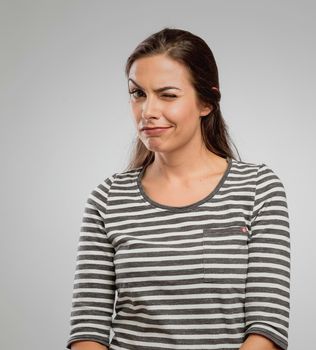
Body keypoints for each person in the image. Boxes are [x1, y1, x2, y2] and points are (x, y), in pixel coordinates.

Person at [66, 27, 291, 350]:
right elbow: (88, 329)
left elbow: (267, 327)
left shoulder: (257, 188)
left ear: (206, 102)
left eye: (168, 95)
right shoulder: (108, 198)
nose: (147, 111)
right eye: (137, 93)